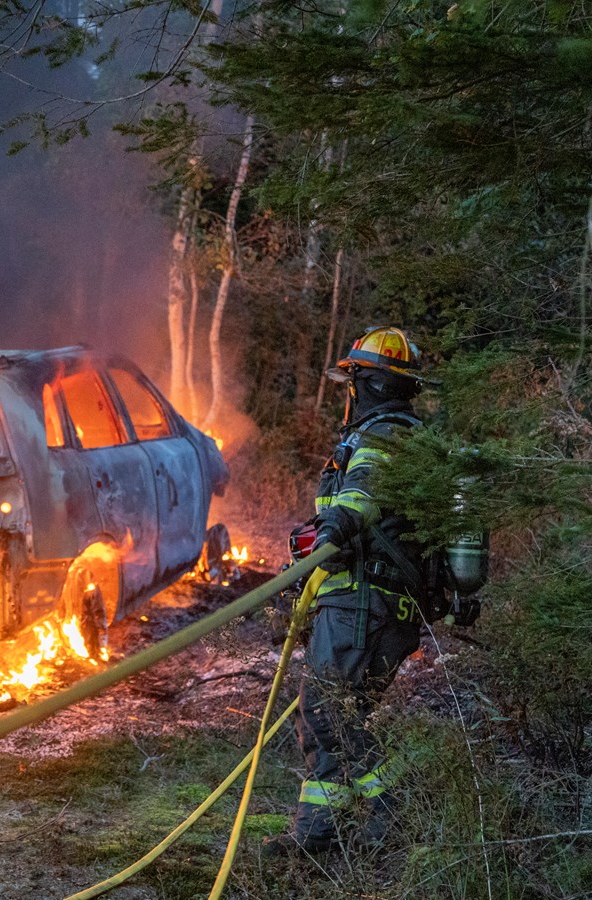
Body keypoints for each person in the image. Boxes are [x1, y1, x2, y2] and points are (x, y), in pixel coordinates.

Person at [262, 325, 429, 858]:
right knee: (337, 713)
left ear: (372, 383)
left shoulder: (383, 437)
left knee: (330, 714)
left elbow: (361, 496)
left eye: (353, 380)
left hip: (363, 601)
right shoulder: (398, 432)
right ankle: (325, 836)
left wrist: (335, 528)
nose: (348, 391)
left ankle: (386, 817)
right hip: (371, 601)